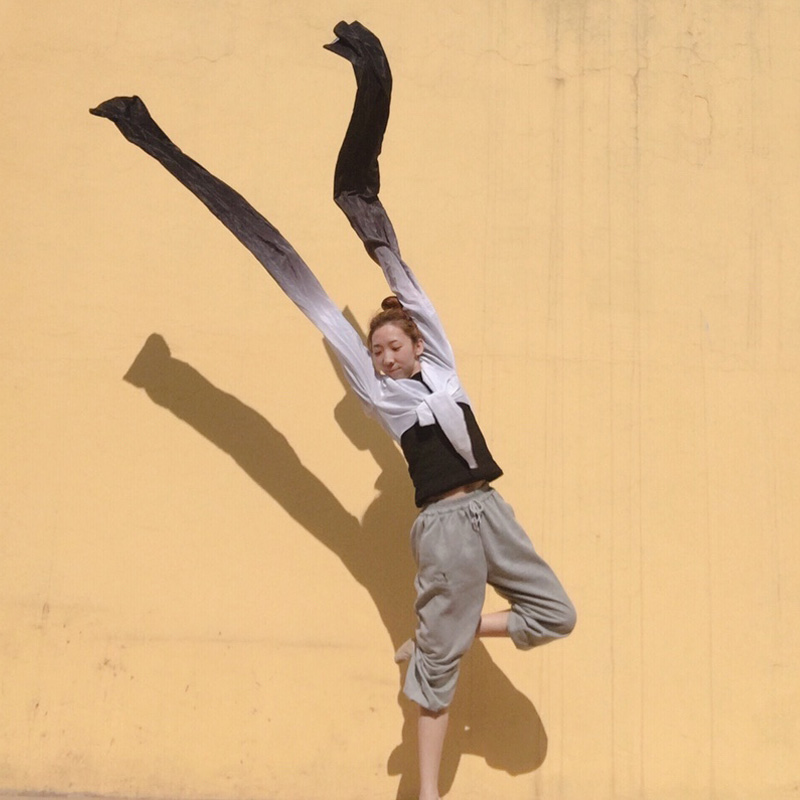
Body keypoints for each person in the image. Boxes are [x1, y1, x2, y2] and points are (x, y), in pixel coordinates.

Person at [91, 21, 575, 800]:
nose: (383, 354)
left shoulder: (441, 366)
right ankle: (422, 789)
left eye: (392, 345)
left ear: (416, 347)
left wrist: (376, 225)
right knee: (438, 682)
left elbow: (400, 270)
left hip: (496, 514)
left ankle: (435, 639)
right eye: (376, 349)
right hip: (447, 529)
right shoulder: (385, 398)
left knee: (556, 615)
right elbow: (315, 302)